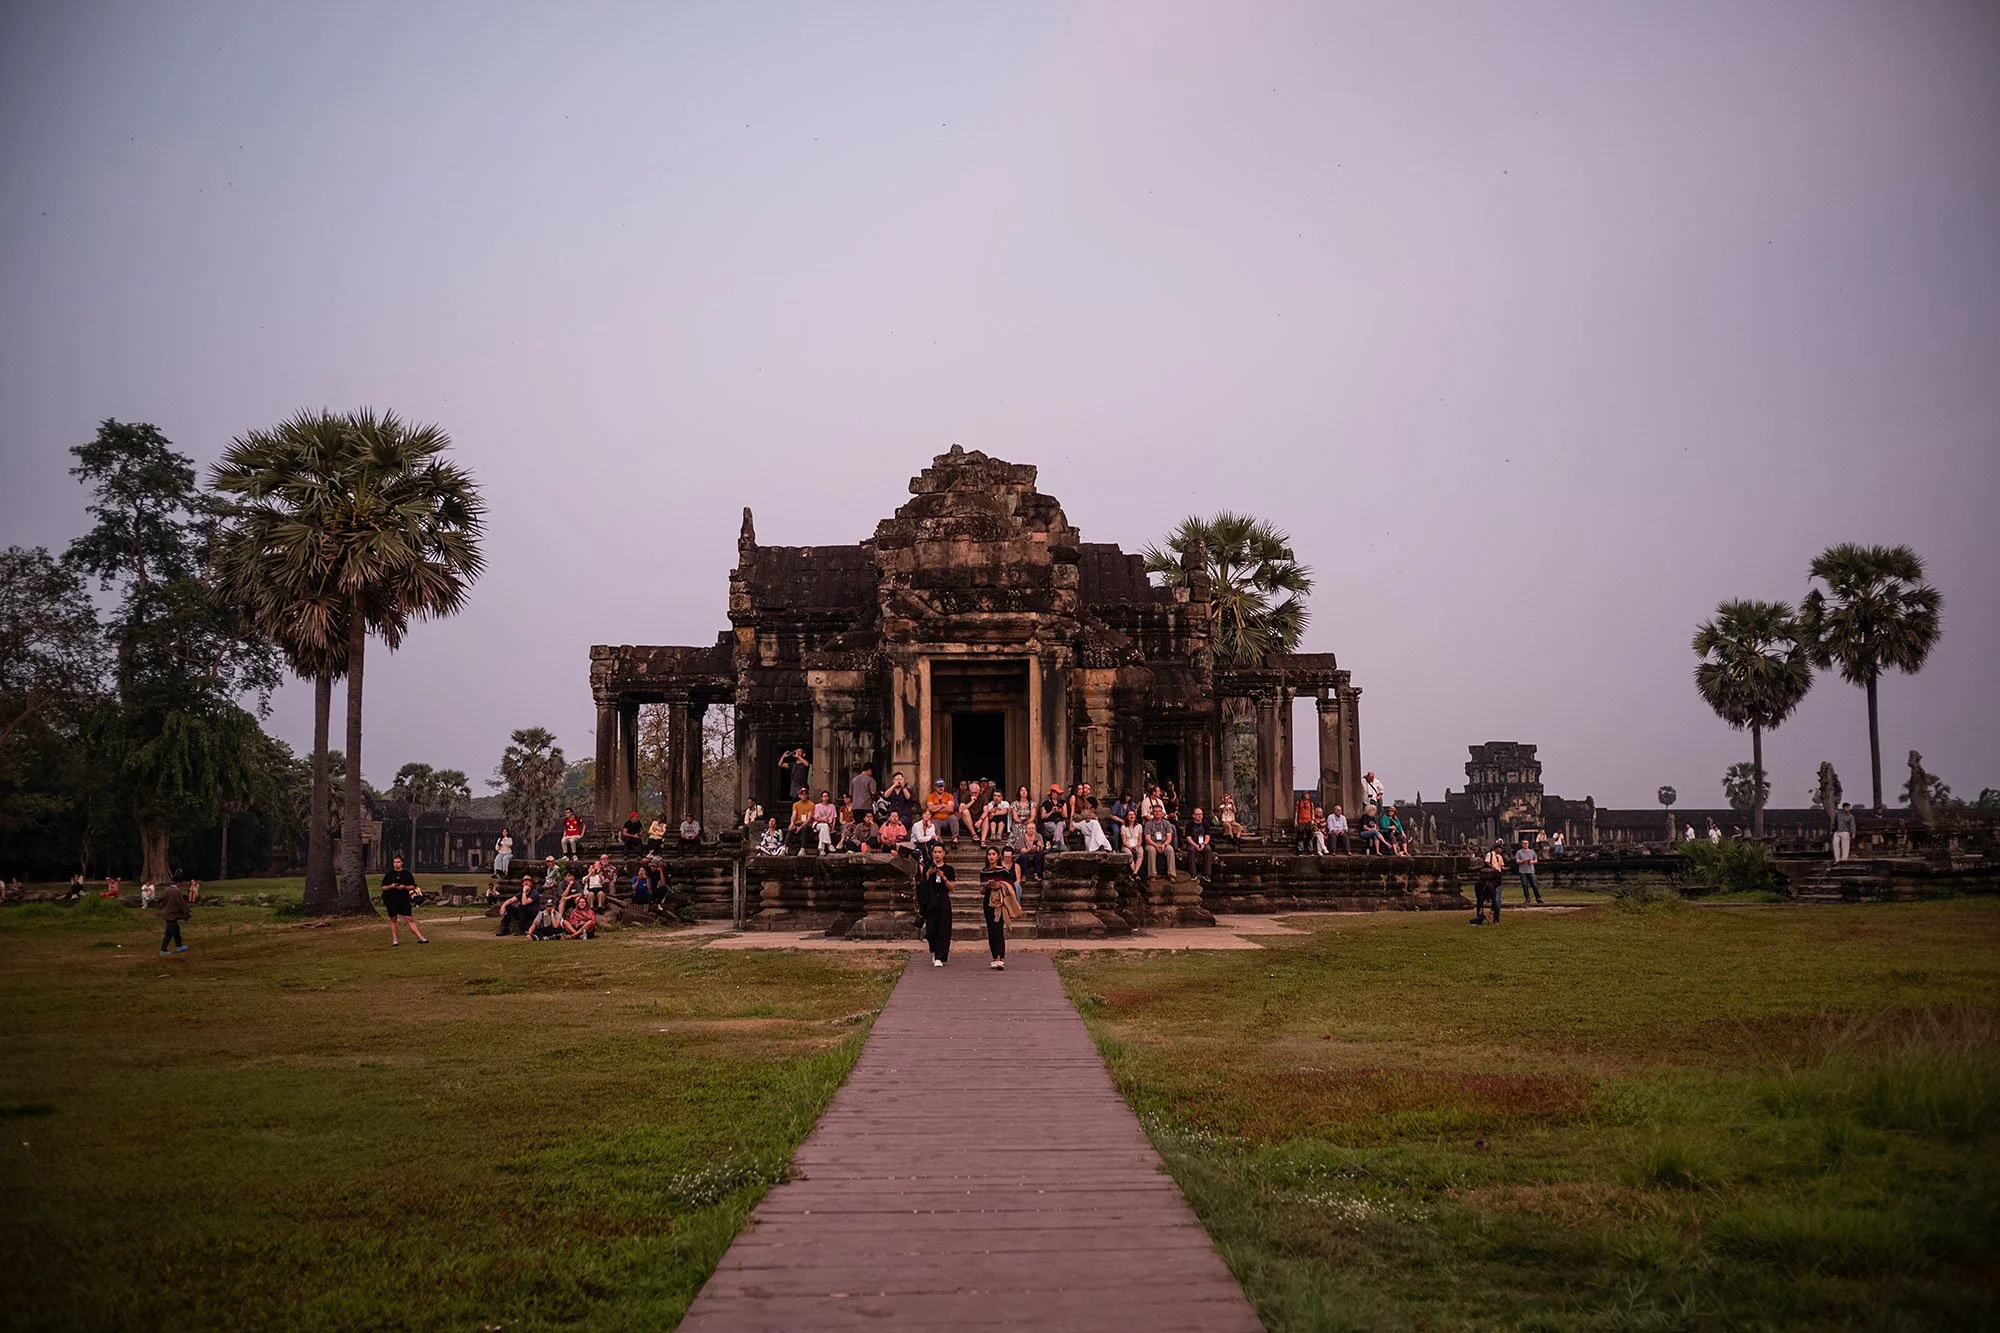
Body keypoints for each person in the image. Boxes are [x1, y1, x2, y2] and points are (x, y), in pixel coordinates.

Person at [979, 848, 1018, 971]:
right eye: (989, 854)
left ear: (998, 857)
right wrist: (987, 886)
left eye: (993, 854)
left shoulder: (1003, 872)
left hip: (999, 902)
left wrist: (1001, 885)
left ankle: (1001, 957)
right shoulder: (984, 872)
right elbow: (981, 891)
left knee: (998, 928)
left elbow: (1011, 887)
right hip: (988, 901)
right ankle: (994, 957)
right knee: (990, 928)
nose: (991, 857)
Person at [917, 843, 955, 967]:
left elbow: (952, 887)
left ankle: (940, 955)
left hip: (943, 899)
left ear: (944, 853)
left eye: (940, 852)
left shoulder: (949, 869)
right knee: (931, 930)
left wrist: (943, 877)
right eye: (935, 852)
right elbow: (922, 884)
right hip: (930, 901)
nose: (937, 855)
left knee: (944, 929)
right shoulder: (928, 866)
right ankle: (934, 950)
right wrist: (928, 874)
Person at [379, 854, 429, 946]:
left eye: (398, 862)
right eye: (395, 862)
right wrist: (391, 886)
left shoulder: (407, 874)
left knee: (409, 918)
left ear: (402, 863)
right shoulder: (389, 874)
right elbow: (383, 887)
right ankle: (395, 939)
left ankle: (420, 937)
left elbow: (413, 886)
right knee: (393, 918)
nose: (396, 864)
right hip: (391, 899)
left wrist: (404, 887)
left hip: (403, 899)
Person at [155, 879, 192, 955]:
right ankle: (163, 950)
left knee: (176, 928)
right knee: (170, 931)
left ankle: (179, 946)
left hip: (165, 913)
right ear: (178, 883)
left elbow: (160, 900)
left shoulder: (166, 890)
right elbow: (181, 903)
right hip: (170, 915)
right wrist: (187, 912)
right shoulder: (176, 891)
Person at [1474, 842, 1506, 925]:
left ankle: (1496, 918)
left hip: (1497, 877)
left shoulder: (1500, 857)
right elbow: (1487, 862)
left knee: (1496, 900)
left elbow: (1501, 866)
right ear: (1497, 848)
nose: (1501, 850)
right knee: (1482, 899)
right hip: (1490, 876)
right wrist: (1493, 868)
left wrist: (1506, 868)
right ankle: (1480, 917)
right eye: (1500, 848)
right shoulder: (1490, 854)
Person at [1143, 809, 1178, 880]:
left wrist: (1164, 845)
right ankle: (1152, 875)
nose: (1157, 813)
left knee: (1170, 849)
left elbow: (1169, 837)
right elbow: (1147, 839)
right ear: (1153, 813)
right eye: (1155, 811)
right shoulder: (1148, 824)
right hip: (1152, 843)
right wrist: (1155, 846)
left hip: (1163, 843)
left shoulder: (1166, 823)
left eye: (1159, 811)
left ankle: (1171, 874)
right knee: (1151, 851)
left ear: (1162, 813)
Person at [925, 780, 960, 846]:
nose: (941, 788)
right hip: (936, 820)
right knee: (932, 823)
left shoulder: (949, 796)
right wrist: (943, 805)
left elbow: (950, 809)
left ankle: (955, 840)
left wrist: (936, 808)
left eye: (942, 786)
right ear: (935, 787)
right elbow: (931, 809)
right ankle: (940, 843)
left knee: (953, 818)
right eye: (939, 786)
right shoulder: (931, 796)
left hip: (947, 819)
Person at [1185, 808, 1215, 882]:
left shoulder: (1205, 824)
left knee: (1208, 850)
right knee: (1191, 850)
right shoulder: (1189, 825)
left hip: (1203, 843)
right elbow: (1188, 837)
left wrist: (1204, 844)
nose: (1200, 816)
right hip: (1193, 843)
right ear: (1193, 815)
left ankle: (1207, 874)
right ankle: (1193, 874)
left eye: (1201, 814)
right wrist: (1195, 845)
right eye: (1198, 814)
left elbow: (1208, 836)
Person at [1039, 785, 1067, 849]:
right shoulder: (1046, 803)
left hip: (1060, 821)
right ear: (1051, 793)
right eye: (1053, 792)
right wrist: (1051, 812)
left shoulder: (1062, 802)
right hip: (1049, 822)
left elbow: (1065, 816)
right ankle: (1061, 846)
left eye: (1056, 792)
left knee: (1059, 825)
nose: (1054, 794)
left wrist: (1060, 811)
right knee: (1055, 828)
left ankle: (1056, 842)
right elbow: (1043, 817)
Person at [788, 788, 816, 852]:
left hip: (806, 824)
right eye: (802, 794)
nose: (804, 796)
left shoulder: (811, 804)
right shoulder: (796, 804)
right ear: (799, 796)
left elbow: (809, 818)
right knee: (791, 828)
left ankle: (802, 848)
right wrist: (792, 823)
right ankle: (785, 846)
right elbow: (794, 814)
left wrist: (800, 828)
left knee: (804, 828)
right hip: (798, 822)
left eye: (805, 794)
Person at [1515, 839, 1542, 904]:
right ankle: (1527, 898)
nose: (1526, 845)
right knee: (1525, 885)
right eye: (1524, 843)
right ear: (1522, 844)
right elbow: (1517, 861)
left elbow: (1536, 860)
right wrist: (1523, 861)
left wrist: (1531, 862)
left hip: (1531, 871)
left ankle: (1538, 898)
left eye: (1527, 843)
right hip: (1523, 871)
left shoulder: (1532, 852)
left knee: (1534, 885)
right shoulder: (1519, 852)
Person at [1120, 809, 1145, 877]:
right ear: (1127, 816)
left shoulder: (1139, 826)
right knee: (1129, 854)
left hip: (1137, 844)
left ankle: (1135, 872)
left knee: (1140, 854)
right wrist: (1129, 847)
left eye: (1133, 814)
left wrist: (1137, 846)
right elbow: (1124, 841)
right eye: (1130, 815)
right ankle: (1135, 873)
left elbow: (1140, 839)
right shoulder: (1123, 827)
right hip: (1127, 845)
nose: (1131, 816)